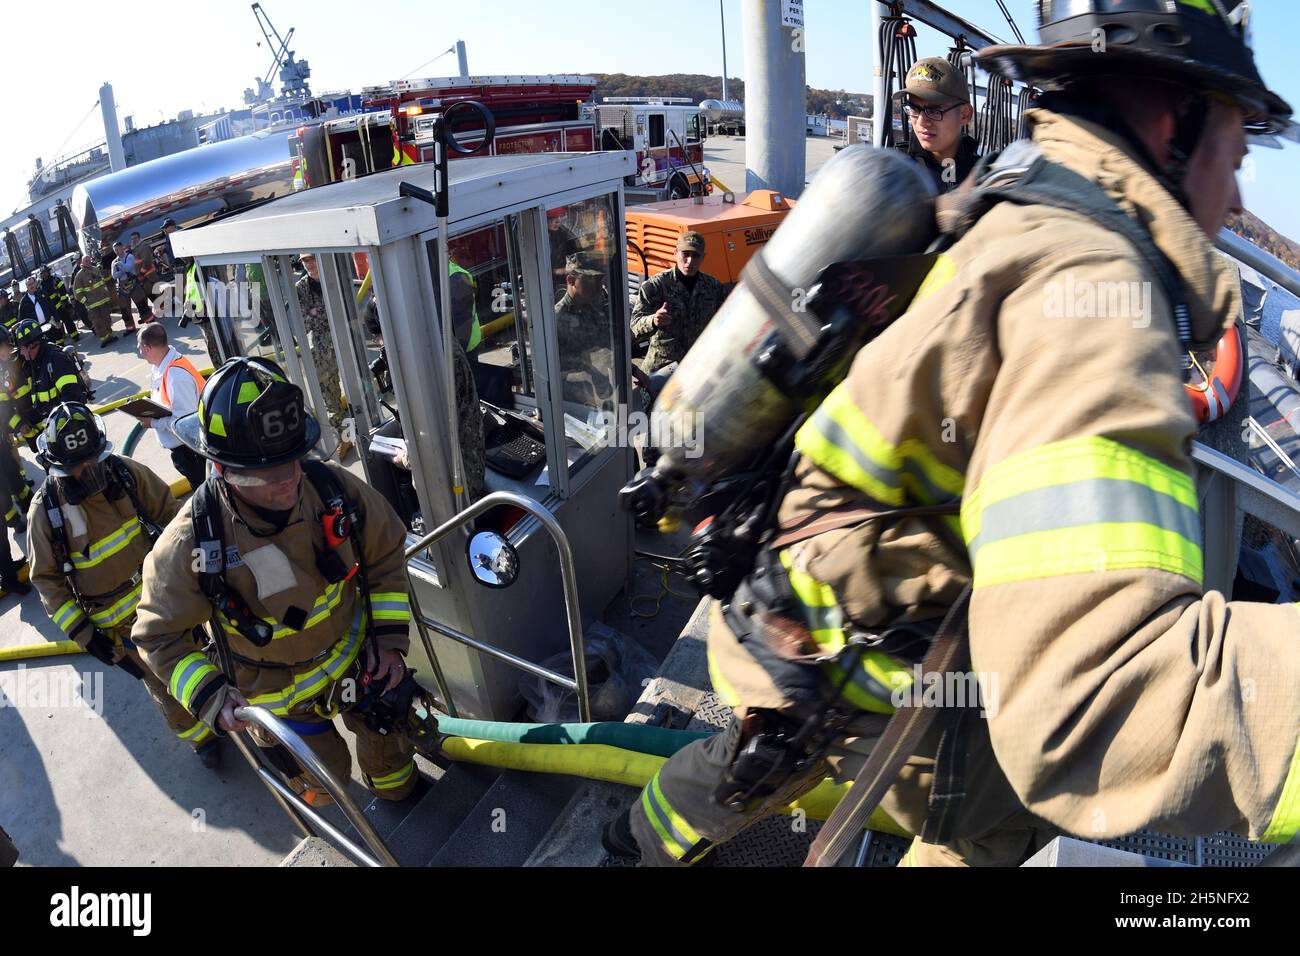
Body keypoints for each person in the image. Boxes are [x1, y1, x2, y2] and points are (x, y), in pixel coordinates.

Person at [608, 0, 1300, 866]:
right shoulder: (1092, 288)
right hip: (839, 640)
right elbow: (1096, 710)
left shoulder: (1021, 200)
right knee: (992, 806)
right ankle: (632, 844)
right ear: (1173, 118)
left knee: (837, 779)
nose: (1235, 198)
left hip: (842, 594)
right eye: (1235, 155)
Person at [132, 357, 420, 806]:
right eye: (267, 474)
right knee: (326, 787)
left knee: (394, 765)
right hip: (276, 702)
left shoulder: (331, 489)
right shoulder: (192, 541)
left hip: (359, 664)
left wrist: (387, 639)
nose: (289, 480)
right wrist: (209, 693)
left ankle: (404, 801)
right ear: (222, 469)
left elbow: (385, 552)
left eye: (294, 460)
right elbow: (157, 635)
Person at [26, 403, 219, 766]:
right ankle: (202, 739)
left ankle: (223, 712)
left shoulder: (125, 475)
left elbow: (172, 515)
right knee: (163, 686)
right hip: (119, 628)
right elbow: (47, 582)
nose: (88, 472)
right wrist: (86, 635)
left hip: (164, 598)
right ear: (58, 467)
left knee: (203, 655)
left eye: (93, 460)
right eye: (77, 467)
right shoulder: (46, 512)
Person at [630, 231, 724, 374]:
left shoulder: (713, 287)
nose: (690, 261)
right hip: (660, 371)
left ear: (703, 258)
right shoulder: (656, 286)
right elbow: (634, 326)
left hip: (695, 371)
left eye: (696, 255)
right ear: (675, 253)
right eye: (685, 254)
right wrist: (653, 321)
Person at [136, 324, 207, 490]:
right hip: (186, 450)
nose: (140, 353)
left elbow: (185, 423)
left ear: (148, 348)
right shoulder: (163, 365)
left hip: (192, 451)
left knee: (207, 492)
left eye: (140, 348)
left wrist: (152, 423)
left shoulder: (176, 376)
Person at [894, 56, 980, 192]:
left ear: (965, 114)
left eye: (934, 111)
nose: (922, 122)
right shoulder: (894, 173)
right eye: (914, 109)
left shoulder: (984, 177)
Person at [294, 254, 349, 457]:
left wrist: (317, 312)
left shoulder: (334, 278)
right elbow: (304, 321)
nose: (309, 265)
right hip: (321, 344)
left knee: (360, 384)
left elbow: (347, 307)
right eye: (305, 262)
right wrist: (321, 313)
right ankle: (346, 436)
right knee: (328, 392)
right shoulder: (301, 288)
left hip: (345, 336)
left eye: (312, 259)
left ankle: (367, 428)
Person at [554, 251, 615, 407]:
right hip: (575, 398)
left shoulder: (596, 308)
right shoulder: (557, 318)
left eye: (599, 280)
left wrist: (632, 370)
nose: (597, 287)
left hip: (602, 392)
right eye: (589, 281)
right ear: (570, 280)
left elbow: (608, 344)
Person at [12, 317, 88, 423]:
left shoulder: (56, 359)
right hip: (54, 424)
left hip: (72, 423)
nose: (21, 353)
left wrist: (56, 420)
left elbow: (70, 393)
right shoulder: (35, 364)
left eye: (22, 349)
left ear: (31, 346)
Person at [71, 255, 120, 347]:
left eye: (89, 260)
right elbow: (77, 292)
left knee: (107, 319)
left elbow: (102, 283)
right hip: (92, 305)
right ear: (82, 262)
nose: (88, 262)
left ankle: (110, 336)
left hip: (103, 301)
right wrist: (86, 301)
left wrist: (106, 295)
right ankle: (104, 339)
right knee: (98, 322)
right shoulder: (79, 275)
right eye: (86, 261)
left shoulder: (96, 269)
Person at [111, 240, 154, 327]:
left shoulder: (129, 257)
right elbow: (114, 276)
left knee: (140, 302)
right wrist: (122, 269)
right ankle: (130, 327)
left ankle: (149, 319)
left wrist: (120, 265)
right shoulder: (114, 262)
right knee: (124, 308)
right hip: (122, 286)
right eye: (115, 250)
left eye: (118, 249)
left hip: (133, 282)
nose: (117, 252)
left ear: (122, 248)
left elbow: (128, 268)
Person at [18, 275, 68, 346]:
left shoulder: (42, 293)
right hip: (36, 330)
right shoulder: (23, 302)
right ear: (26, 287)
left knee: (58, 341)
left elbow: (52, 307)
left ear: (35, 283)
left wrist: (57, 320)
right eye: (29, 285)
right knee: (44, 346)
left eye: (32, 283)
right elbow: (21, 319)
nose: (31, 286)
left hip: (49, 323)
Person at [38, 265, 81, 344]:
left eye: (45, 272)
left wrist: (64, 301)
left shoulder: (55, 279)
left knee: (68, 321)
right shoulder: (40, 284)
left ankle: (75, 336)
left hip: (61, 305)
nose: (44, 274)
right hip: (51, 310)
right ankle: (60, 343)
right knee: (55, 327)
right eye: (42, 273)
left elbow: (62, 290)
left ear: (48, 271)